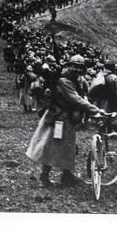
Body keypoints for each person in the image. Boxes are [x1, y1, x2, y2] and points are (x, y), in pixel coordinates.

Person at [26, 55, 109, 188]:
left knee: (68, 147)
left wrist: (94, 111)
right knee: (52, 146)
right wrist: (95, 110)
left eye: (80, 67)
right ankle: (44, 177)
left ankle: (67, 175)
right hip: (58, 118)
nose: (77, 69)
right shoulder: (64, 81)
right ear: (69, 66)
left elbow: (82, 97)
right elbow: (75, 99)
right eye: (74, 66)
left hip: (67, 119)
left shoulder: (76, 80)